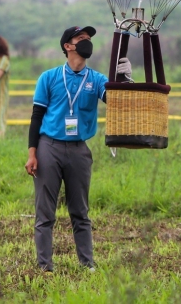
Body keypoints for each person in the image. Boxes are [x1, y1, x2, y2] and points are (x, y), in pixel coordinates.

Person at [24, 26, 132, 273]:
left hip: (79, 151)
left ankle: (87, 264)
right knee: (45, 213)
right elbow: (36, 116)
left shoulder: (96, 80)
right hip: (48, 148)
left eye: (89, 39)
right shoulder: (48, 78)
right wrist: (32, 154)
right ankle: (45, 267)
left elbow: (118, 102)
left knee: (80, 212)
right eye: (81, 39)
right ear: (68, 46)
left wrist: (124, 79)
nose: (87, 42)